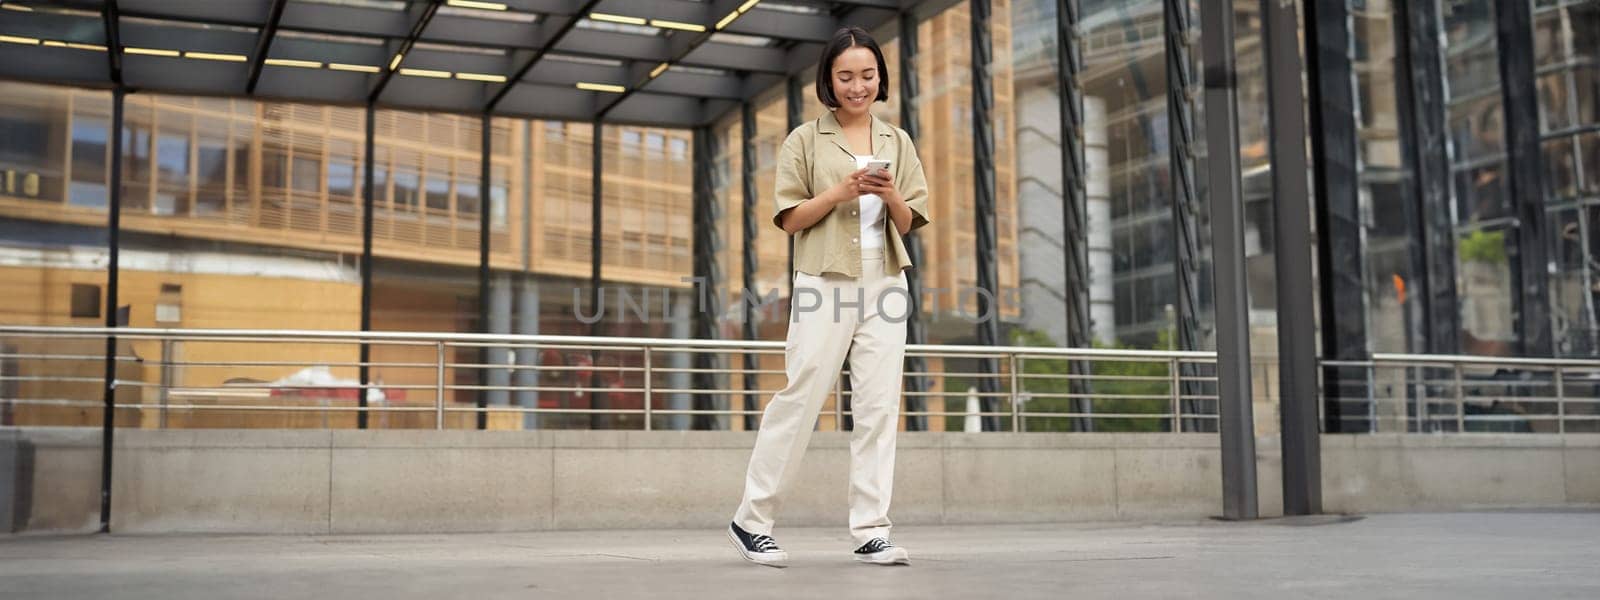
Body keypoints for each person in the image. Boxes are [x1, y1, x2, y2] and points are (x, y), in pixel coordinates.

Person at [726, 26, 931, 568]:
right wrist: (840, 192)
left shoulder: (898, 141)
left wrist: (890, 197)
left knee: (878, 407)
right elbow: (790, 219)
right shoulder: (804, 140)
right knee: (801, 398)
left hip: (886, 280)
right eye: (846, 76)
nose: (857, 85)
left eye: (867, 75)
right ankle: (752, 521)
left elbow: (910, 222)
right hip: (823, 280)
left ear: (880, 78)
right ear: (829, 79)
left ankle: (871, 530)